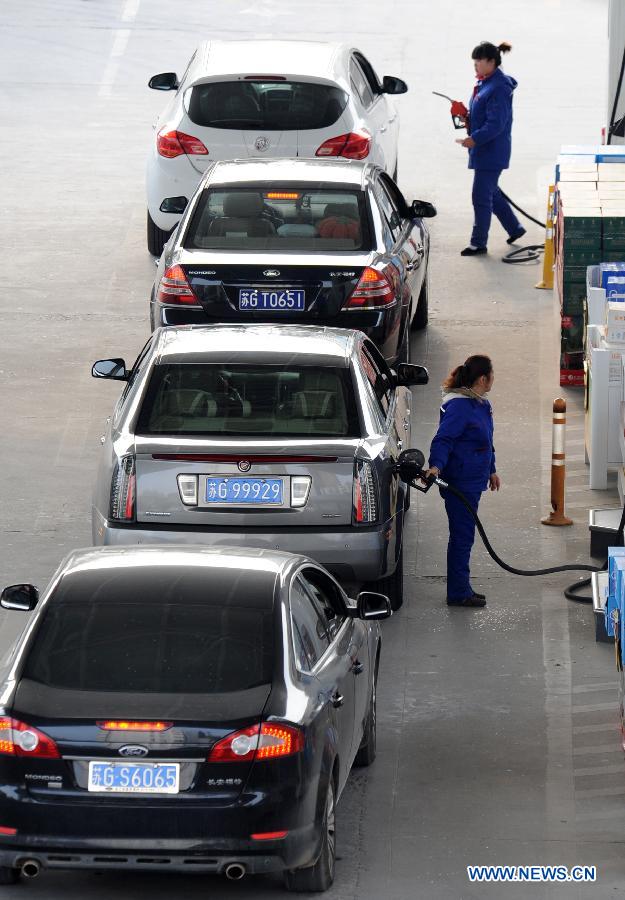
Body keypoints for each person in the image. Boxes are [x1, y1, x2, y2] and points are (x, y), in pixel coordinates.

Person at [424, 355, 500, 607]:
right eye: (491, 374)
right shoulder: (459, 407)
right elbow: (443, 439)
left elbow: (486, 441)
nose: (493, 379)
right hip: (460, 484)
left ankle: (461, 587)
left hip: (474, 481)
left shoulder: (480, 404)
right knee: (462, 536)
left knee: (464, 535)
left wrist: (491, 469)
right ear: (482, 378)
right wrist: (435, 466)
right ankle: (458, 592)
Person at [458, 41, 525, 256]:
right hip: (485, 150)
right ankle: (515, 228)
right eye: (474, 61)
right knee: (491, 193)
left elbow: (496, 124)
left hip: (491, 151)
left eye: (479, 61)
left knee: (480, 195)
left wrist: (474, 139)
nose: (475, 65)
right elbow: (483, 114)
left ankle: (478, 243)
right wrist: (466, 116)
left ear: (491, 62)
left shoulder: (498, 88)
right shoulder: (485, 83)